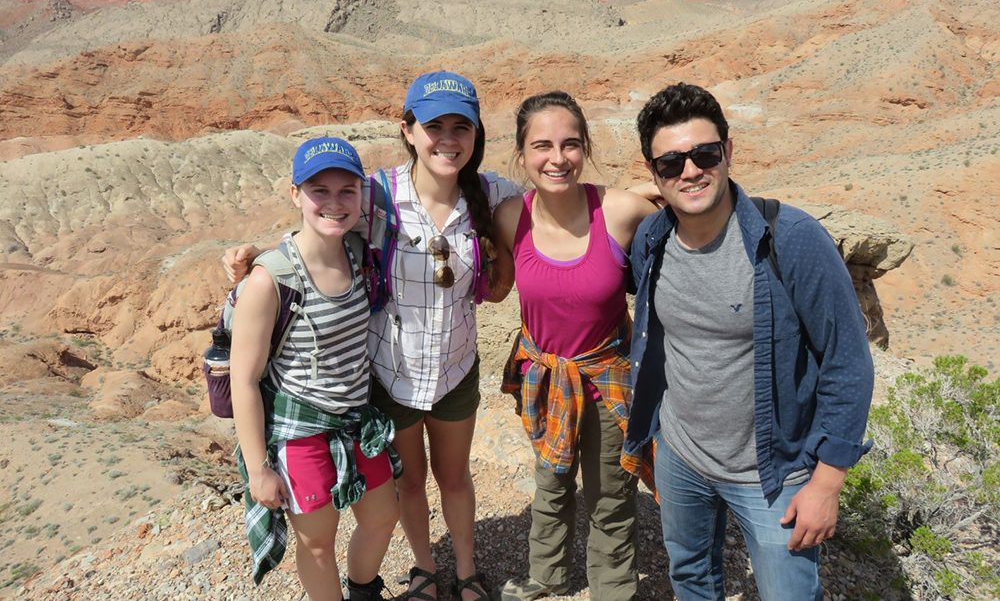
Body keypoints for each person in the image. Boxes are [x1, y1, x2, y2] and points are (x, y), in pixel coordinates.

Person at [225, 71, 522, 601]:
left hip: (455, 370)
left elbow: (555, 206)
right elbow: (320, 224)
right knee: (408, 484)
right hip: (389, 378)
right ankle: (426, 571)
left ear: (477, 135)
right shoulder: (378, 196)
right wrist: (254, 260)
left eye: (463, 127)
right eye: (434, 126)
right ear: (408, 130)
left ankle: (469, 570)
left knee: (454, 479)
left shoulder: (492, 193)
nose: (448, 139)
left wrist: (633, 195)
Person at [623, 83, 874, 600]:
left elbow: (847, 362)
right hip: (681, 455)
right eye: (670, 163)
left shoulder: (790, 238)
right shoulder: (652, 239)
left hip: (774, 472)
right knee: (691, 578)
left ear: (728, 152)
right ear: (654, 173)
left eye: (704, 154)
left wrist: (827, 485)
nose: (690, 171)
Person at [494, 91, 658, 601]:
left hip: (607, 374)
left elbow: (688, 200)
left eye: (570, 144)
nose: (557, 158)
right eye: (541, 145)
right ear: (522, 155)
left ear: (585, 148)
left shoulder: (621, 210)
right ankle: (547, 576)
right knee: (551, 480)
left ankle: (612, 589)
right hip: (542, 374)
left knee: (611, 492)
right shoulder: (508, 217)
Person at [230, 137, 400, 601]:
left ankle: (364, 590)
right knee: (318, 542)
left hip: (357, 420)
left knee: (382, 516)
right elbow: (243, 380)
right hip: (302, 431)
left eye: (347, 191)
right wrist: (258, 468)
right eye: (318, 191)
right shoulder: (270, 280)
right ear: (295, 195)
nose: (334, 202)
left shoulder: (358, 252)